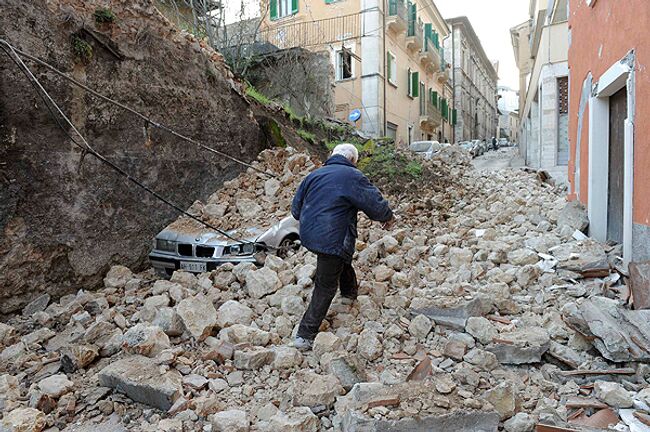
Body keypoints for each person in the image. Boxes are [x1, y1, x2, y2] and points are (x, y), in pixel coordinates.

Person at [290, 144, 395, 350]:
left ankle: (349, 293)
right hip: (332, 238)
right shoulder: (353, 176)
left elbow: (295, 210)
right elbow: (373, 203)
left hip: (310, 235)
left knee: (341, 258)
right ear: (353, 160)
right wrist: (388, 217)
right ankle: (305, 334)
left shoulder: (314, 175)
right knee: (325, 284)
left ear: (333, 156)